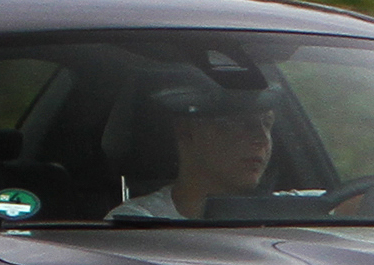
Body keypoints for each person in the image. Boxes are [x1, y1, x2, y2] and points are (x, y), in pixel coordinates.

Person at [111, 80, 277, 219]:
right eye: (239, 123)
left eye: (267, 124)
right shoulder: (136, 223)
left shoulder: (288, 213)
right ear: (186, 131)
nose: (261, 139)